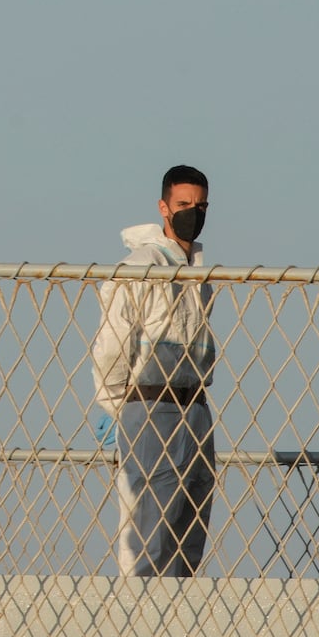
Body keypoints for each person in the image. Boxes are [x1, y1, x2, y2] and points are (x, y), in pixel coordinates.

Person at [92, 165, 217, 577]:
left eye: (200, 206)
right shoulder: (141, 265)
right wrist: (116, 409)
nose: (192, 213)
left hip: (195, 406)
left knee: (189, 532)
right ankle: (141, 630)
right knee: (149, 535)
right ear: (164, 207)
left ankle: (179, 632)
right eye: (183, 205)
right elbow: (113, 343)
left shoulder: (199, 272)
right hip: (150, 404)